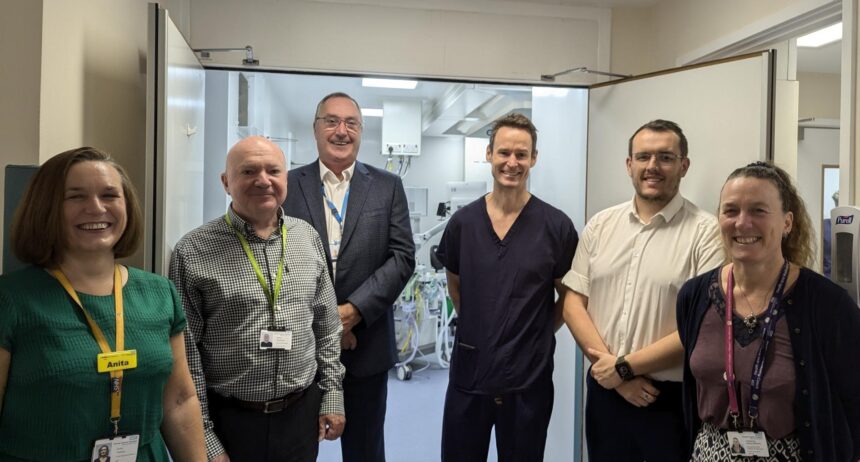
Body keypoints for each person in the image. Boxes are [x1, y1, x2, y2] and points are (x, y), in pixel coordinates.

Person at [0, 147, 206, 461]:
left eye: (110, 195)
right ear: (46, 208)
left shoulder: (159, 293)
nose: (96, 208)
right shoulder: (12, 299)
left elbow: (179, 400)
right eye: (76, 196)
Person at [170, 136, 345, 462]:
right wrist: (204, 436)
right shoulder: (192, 252)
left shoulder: (306, 237)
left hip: (300, 414)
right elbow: (186, 357)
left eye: (273, 171)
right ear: (226, 182)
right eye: (248, 171)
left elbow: (327, 324)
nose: (263, 180)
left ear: (285, 179)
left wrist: (332, 394)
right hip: (231, 419)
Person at [562, 119, 725, 461]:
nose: (653, 166)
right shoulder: (601, 224)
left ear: (684, 165)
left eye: (665, 157)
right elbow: (573, 303)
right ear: (629, 164)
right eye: (643, 157)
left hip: (666, 399)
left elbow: (702, 327)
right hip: (606, 392)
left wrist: (624, 368)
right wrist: (617, 375)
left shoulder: (706, 234)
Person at [676, 161, 860, 461]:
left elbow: (853, 403)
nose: (742, 223)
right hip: (710, 453)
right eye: (730, 210)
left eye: (758, 211)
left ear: (787, 222)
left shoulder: (829, 305)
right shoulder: (694, 296)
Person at [435, 113, 578, 461]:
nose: (512, 163)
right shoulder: (463, 224)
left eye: (521, 154)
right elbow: (456, 283)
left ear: (534, 159)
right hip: (471, 374)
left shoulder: (556, 226)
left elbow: (568, 294)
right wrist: (481, 322)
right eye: (503, 153)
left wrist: (541, 331)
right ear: (488, 154)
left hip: (528, 379)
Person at [283, 92, 415, 462]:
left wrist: (353, 312)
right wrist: (327, 321)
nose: (341, 131)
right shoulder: (288, 185)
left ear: (361, 131)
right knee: (295, 449)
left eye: (351, 123)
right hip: (301, 349)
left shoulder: (387, 186)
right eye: (331, 121)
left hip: (367, 346)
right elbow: (276, 257)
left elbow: (403, 257)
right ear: (316, 129)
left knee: (366, 450)